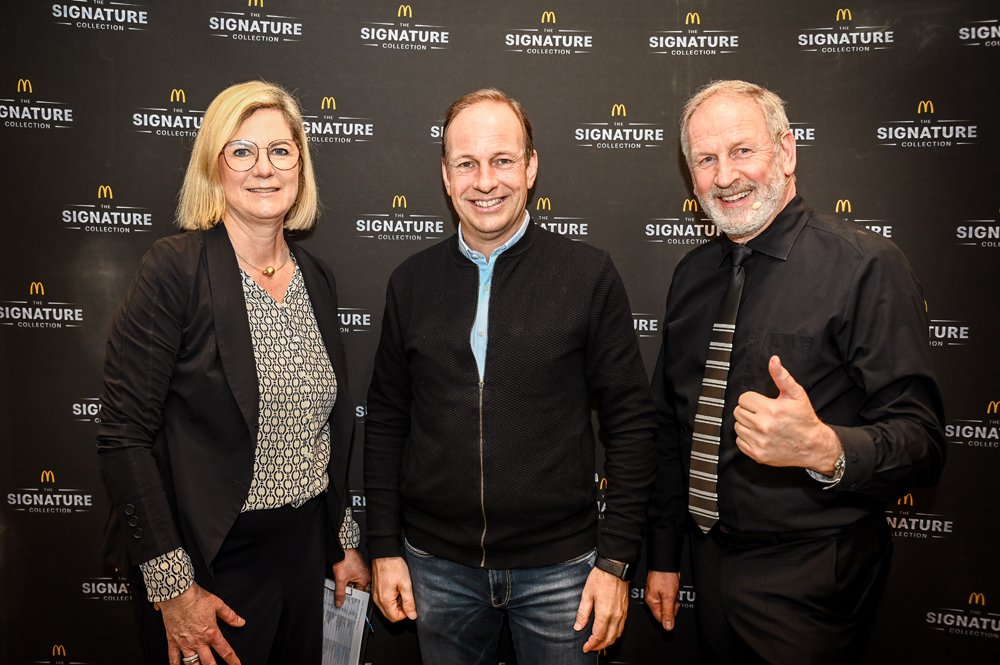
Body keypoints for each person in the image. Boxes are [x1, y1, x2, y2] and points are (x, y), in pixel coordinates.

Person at [643, 80, 946, 664]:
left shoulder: (865, 267)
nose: (725, 176)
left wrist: (825, 449)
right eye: (705, 159)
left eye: (742, 151)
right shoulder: (692, 275)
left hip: (811, 575)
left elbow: (923, 442)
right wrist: (663, 554)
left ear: (786, 152)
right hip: (706, 563)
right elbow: (671, 425)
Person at [363, 88, 656, 664]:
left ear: (531, 167)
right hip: (436, 567)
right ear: (445, 176)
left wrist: (616, 561)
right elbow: (387, 421)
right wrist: (384, 546)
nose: (485, 181)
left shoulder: (588, 274)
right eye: (466, 164)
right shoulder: (411, 282)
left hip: (562, 572)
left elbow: (631, 423)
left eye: (502, 160)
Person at [97, 81, 369, 665]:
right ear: (213, 166)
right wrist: (174, 588)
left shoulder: (316, 277)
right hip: (209, 562)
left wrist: (341, 541)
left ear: (300, 165)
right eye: (242, 151)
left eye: (280, 150)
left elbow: (321, 431)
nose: (263, 168)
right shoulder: (175, 269)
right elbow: (123, 436)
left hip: (301, 556)